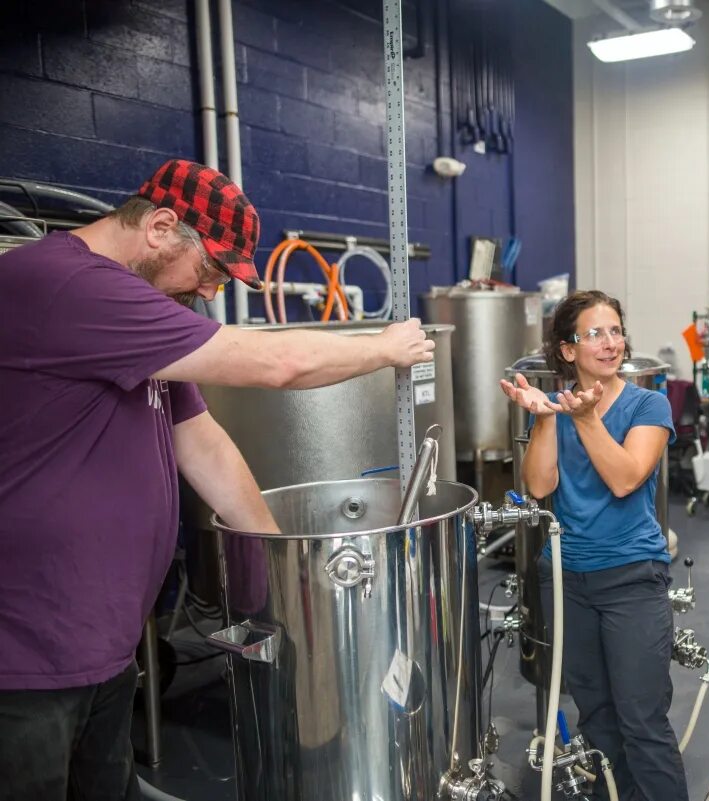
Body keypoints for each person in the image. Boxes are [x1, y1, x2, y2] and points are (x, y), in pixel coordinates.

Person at [0, 159, 434, 801]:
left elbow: (202, 441)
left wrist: (281, 566)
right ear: (161, 227)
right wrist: (383, 346)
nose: (208, 291)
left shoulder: (130, 314)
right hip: (29, 653)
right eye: (209, 271)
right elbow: (277, 363)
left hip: (103, 641)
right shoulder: (63, 283)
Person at [500, 290, 685, 801]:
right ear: (567, 350)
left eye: (616, 330)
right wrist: (544, 419)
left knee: (642, 720)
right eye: (594, 333)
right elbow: (538, 487)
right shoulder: (556, 410)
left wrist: (584, 418)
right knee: (599, 719)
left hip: (632, 579)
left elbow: (625, 478)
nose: (610, 343)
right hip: (568, 579)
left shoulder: (648, 404)